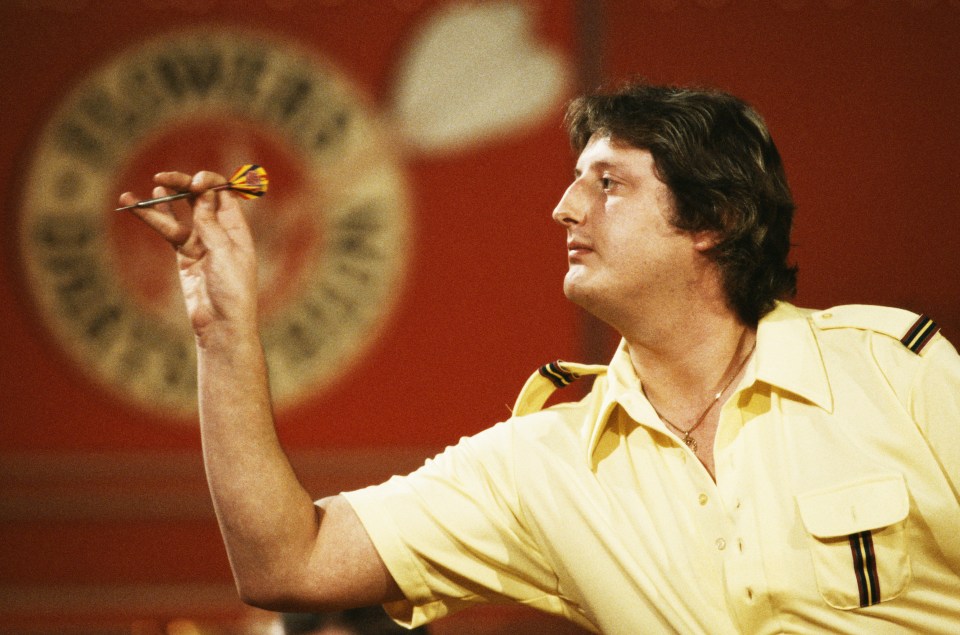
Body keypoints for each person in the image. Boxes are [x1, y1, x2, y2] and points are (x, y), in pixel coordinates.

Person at [118, 80, 960, 634]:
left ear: (715, 220)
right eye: (573, 180)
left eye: (608, 183)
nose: (563, 207)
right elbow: (286, 563)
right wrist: (222, 327)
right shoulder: (541, 465)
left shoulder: (895, 370)